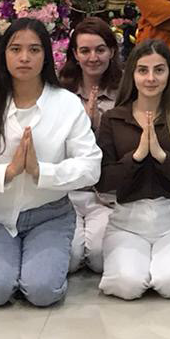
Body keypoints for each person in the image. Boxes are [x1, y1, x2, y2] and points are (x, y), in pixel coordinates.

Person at [0, 19, 101, 308]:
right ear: (4, 54)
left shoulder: (66, 105)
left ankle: (35, 266)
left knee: (42, 292)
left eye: (34, 50)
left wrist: (43, 172)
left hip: (49, 215)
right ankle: (10, 268)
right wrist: (7, 172)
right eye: (16, 49)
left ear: (46, 55)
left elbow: (91, 166)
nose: (24, 58)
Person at [95, 40, 170, 299]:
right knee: (127, 285)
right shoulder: (114, 119)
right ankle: (141, 264)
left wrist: (160, 156)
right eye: (142, 70)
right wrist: (136, 157)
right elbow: (102, 181)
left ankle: (169, 261)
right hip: (127, 221)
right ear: (132, 74)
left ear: (169, 74)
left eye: (159, 70)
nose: (150, 78)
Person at [58, 18, 124, 274]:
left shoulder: (126, 92)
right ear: (75, 54)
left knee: (98, 258)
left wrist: (100, 127)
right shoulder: (59, 93)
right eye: (85, 51)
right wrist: (80, 128)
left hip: (105, 194)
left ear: (112, 51)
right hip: (67, 193)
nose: (93, 57)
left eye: (100, 49)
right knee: (71, 260)